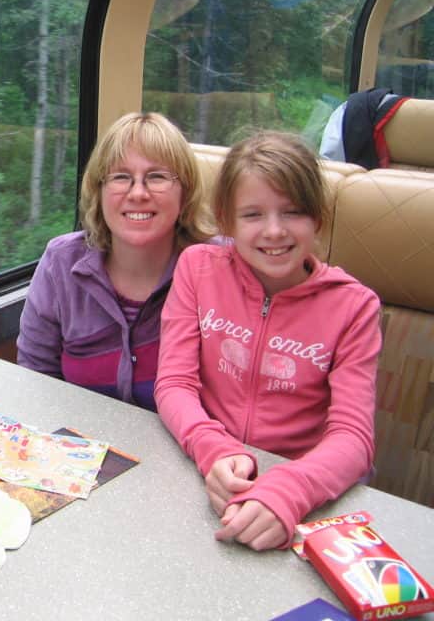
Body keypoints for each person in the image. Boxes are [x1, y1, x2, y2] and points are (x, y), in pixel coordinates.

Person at [155, 131, 381, 551]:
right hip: (212, 473)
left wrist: (288, 491)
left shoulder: (354, 307)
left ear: (317, 217)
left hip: (307, 492)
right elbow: (173, 383)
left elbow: (354, 438)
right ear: (226, 220)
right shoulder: (198, 269)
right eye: (253, 215)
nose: (274, 231)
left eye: (292, 212)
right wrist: (214, 449)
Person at [16, 112, 213, 409]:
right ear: (99, 191)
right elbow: (35, 377)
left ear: (185, 193)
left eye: (157, 176)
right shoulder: (61, 264)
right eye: (121, 177)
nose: (138, 193)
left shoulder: (219, 267)